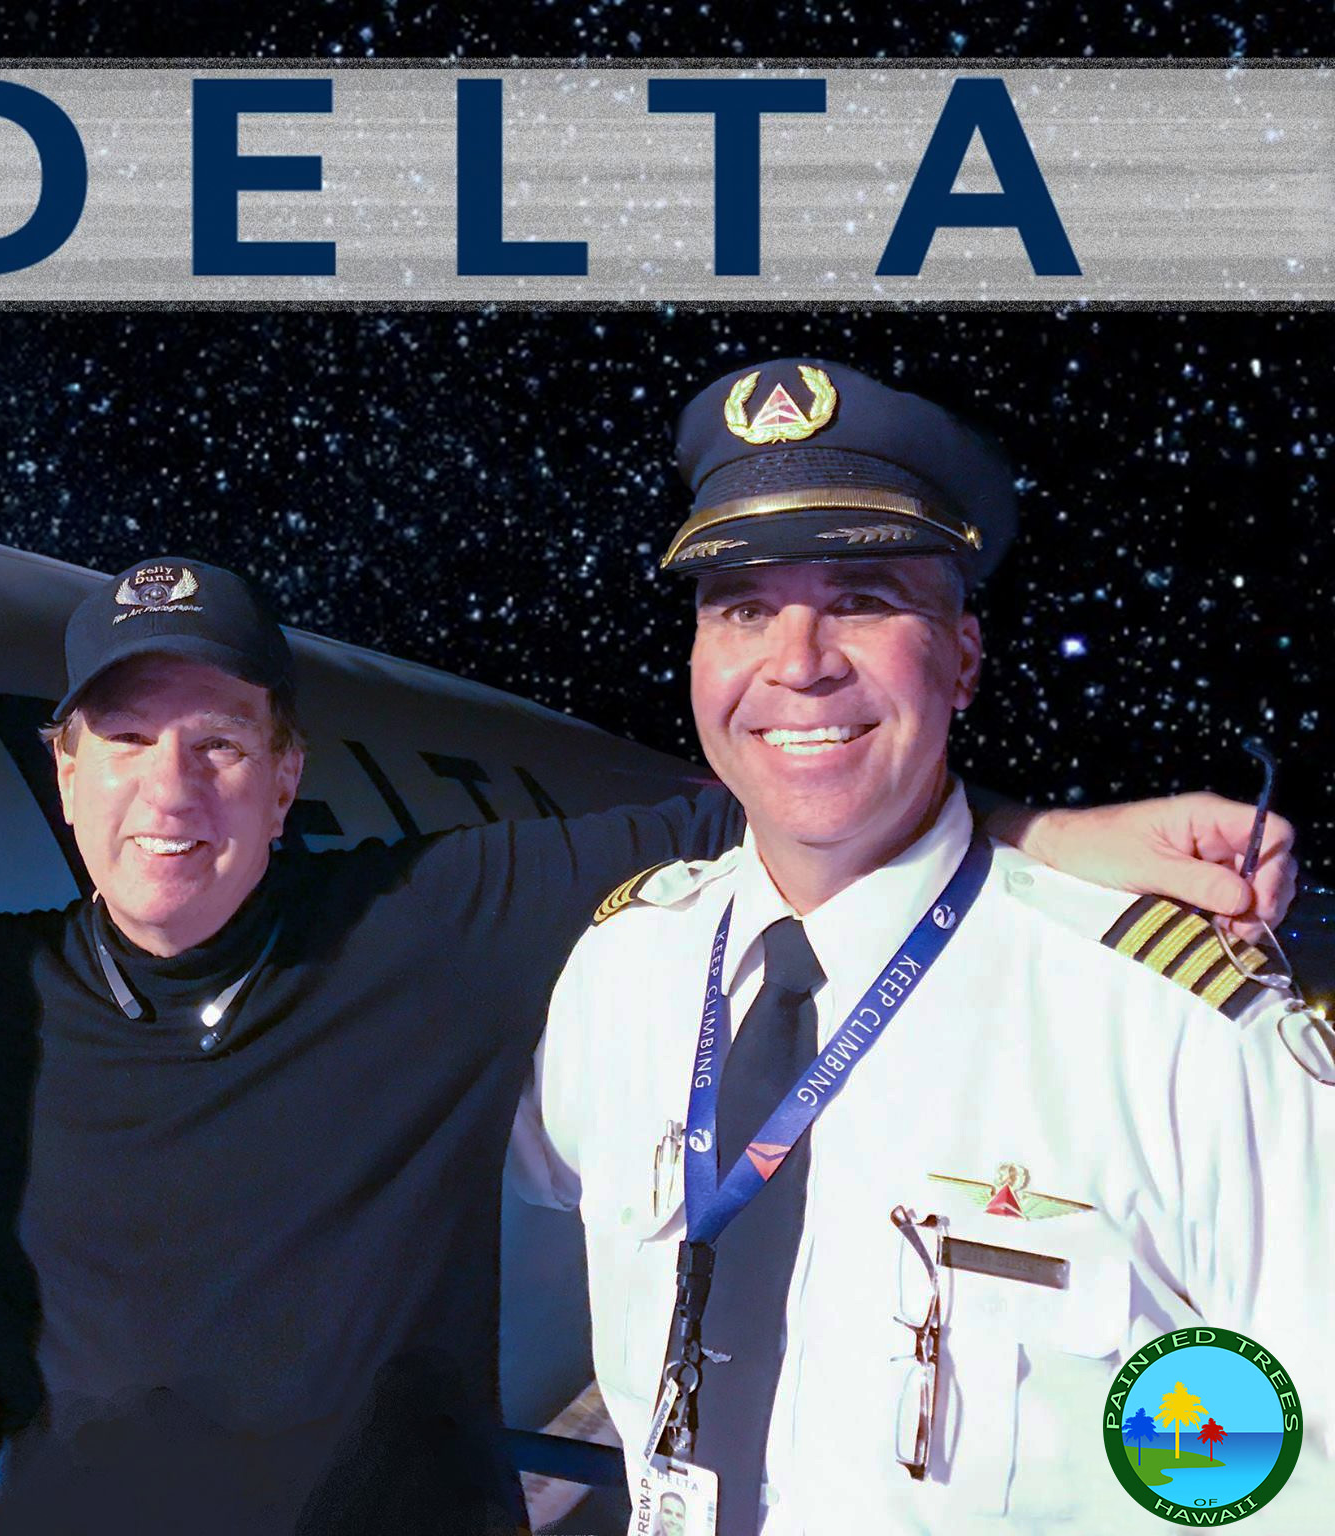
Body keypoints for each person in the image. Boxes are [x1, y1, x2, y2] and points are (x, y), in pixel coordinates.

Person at [0, 547, 1293, 1536]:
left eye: (222, 746)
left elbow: (762, 808)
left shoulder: (418, 926)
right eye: (125, 739)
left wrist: (1046, 835)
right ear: (63, 766)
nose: (169, 790)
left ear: (287, 777)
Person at [525, 357, 1330, 1534]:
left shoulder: (1169, 1023)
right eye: (741, 607)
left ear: (960, 659)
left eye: (860, 599)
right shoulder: (622, 972)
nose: (796, 661)